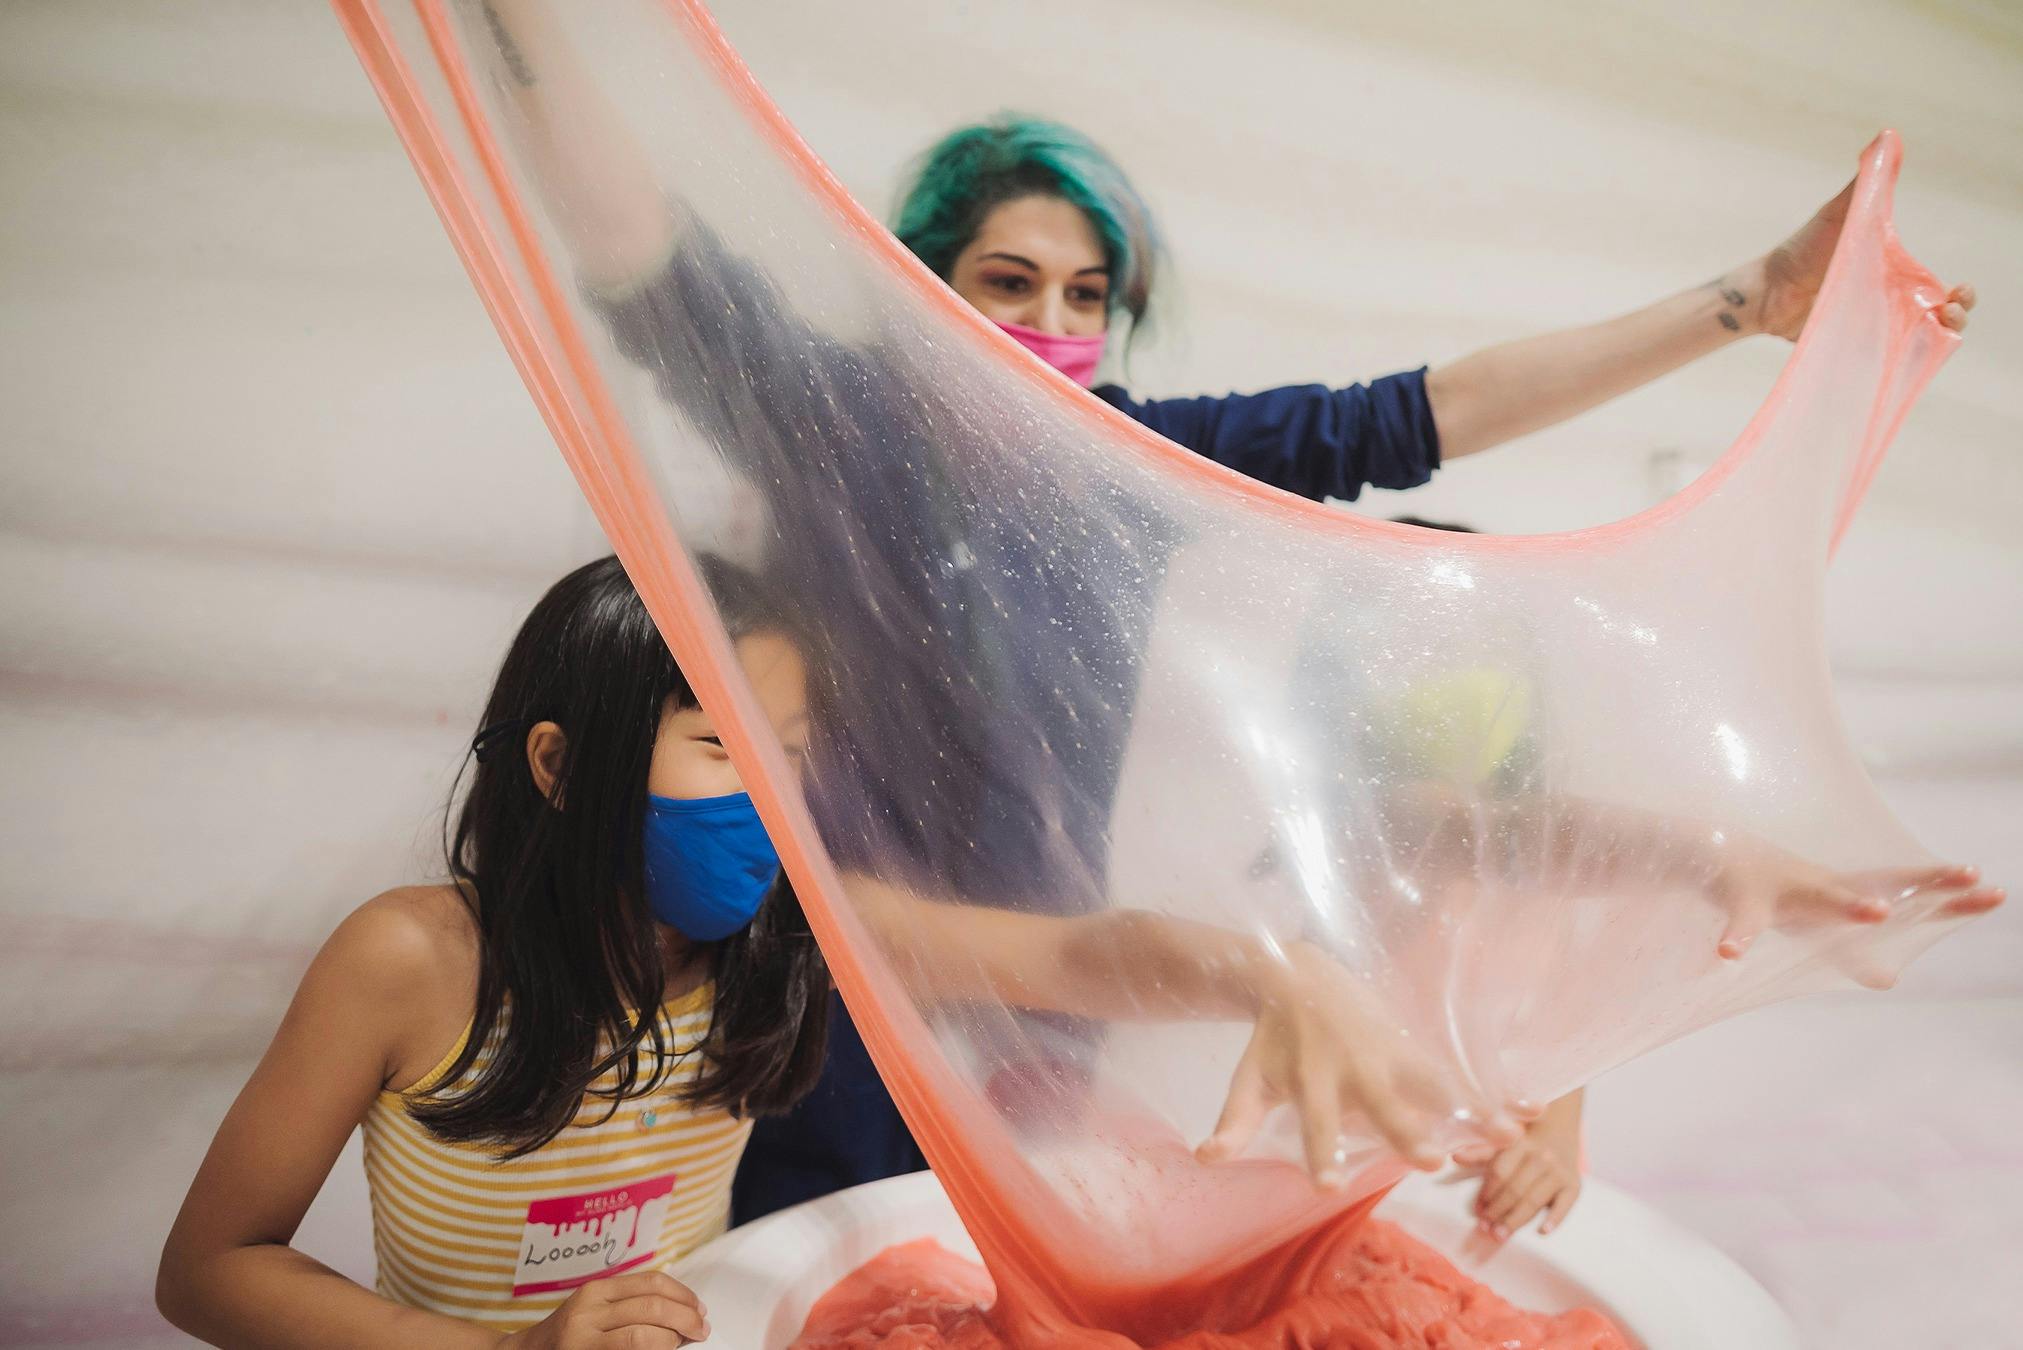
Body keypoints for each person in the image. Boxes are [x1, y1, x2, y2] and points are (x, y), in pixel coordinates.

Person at [472, 0, 1986, 1236]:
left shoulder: (1129, 459)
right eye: (1010, 283)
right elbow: (638, 244)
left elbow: (1426, 412)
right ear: (922, 288)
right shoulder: (836, 423)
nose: (1054, 328)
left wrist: (1749, 301)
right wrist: (520, 26)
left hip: (1055, 994)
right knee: (805, 1262)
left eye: (1088, 297)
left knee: (977, 1276)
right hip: (831, 972)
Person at [159, 555, 1519, 1345]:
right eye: (722, 747)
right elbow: (212, 1267)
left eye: (792, 752)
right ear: (562, 766)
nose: (771, 794)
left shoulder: (790, 928)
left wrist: (1272, 973)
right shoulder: (410, 961)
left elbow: (1079, 959)